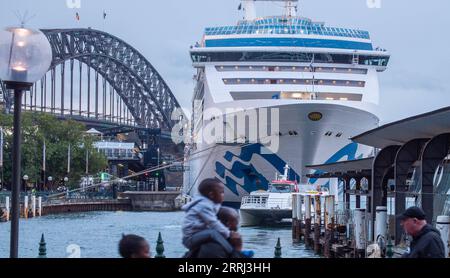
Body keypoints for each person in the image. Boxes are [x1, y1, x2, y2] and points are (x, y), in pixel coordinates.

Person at [182, 179, 238, 253]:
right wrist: (228, 234)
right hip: (190, 238)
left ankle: (231, 249)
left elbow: (217, 210)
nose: (223, 195)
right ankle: (233, 253)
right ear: (211, 195)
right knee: (213, 233)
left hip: (197, 234)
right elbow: (213, 222)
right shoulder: (203, 206)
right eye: (221, 192)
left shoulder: (209, 204)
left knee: (217, 232)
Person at [184, 207, 254, 258]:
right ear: (228, 223)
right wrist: (237, 249)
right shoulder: (213, 248)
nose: (237, 224)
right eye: (236, 221)